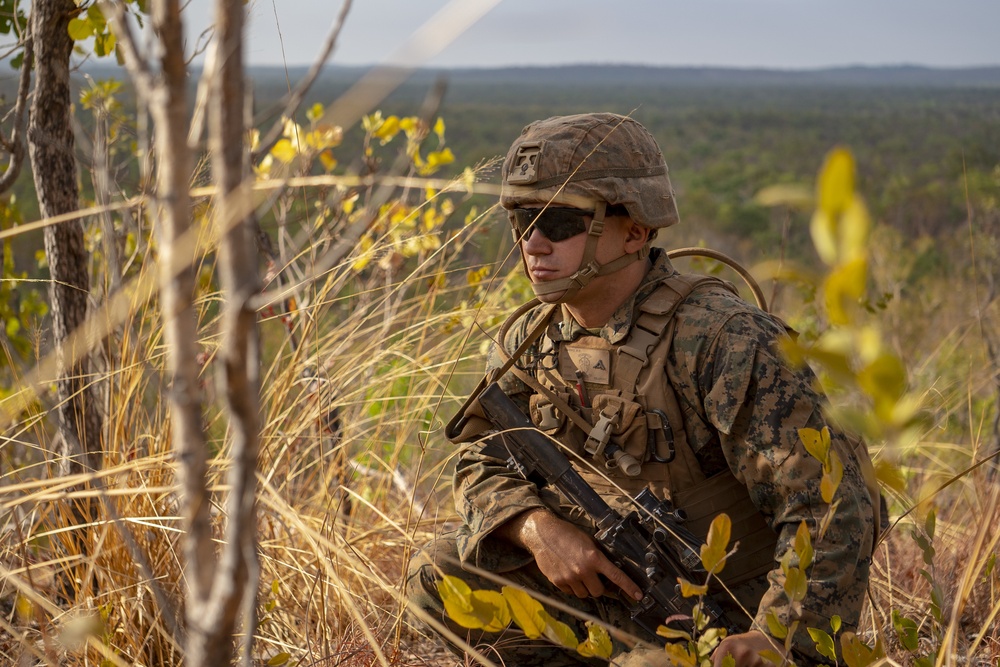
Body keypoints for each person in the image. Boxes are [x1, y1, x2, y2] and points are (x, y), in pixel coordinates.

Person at [406, 113, 877, 666]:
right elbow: (483, 453)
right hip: (604, 590)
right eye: (522, 218)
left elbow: (835, 503)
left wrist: (773, 636)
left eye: (560, 221)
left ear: (635, 228)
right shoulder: (528, 337)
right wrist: (534, 527)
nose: (533, 242)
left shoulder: (720, 340)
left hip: (728, 613)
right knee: (437, 576)